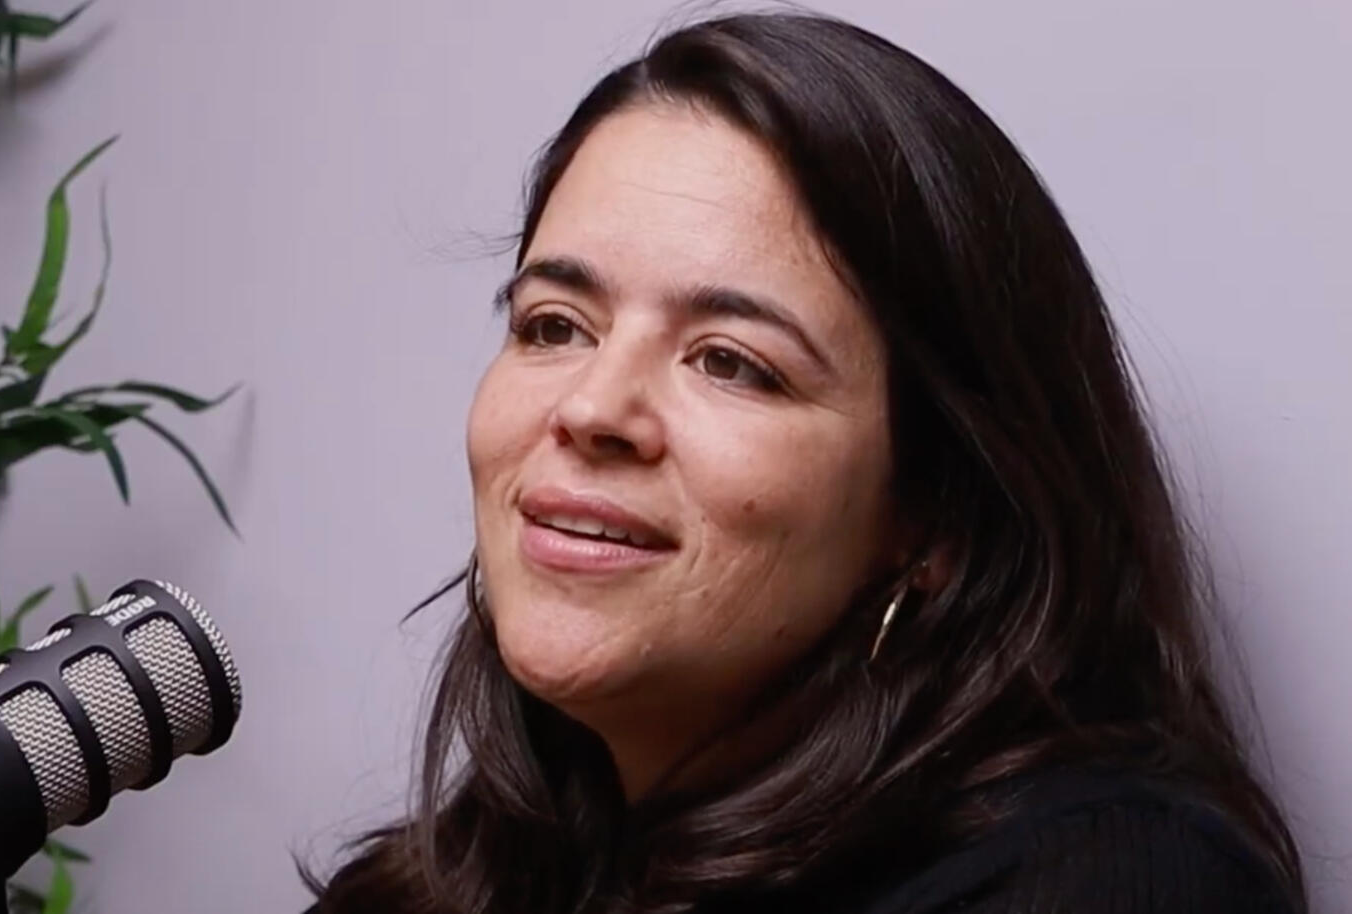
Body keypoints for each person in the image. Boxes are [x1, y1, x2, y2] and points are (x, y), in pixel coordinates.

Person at [303, 11, 1306, 914]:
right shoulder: (439, 880)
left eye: (731, 361)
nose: (592, 408)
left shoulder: (1115, 877)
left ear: (934, 511)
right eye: (554, 325)